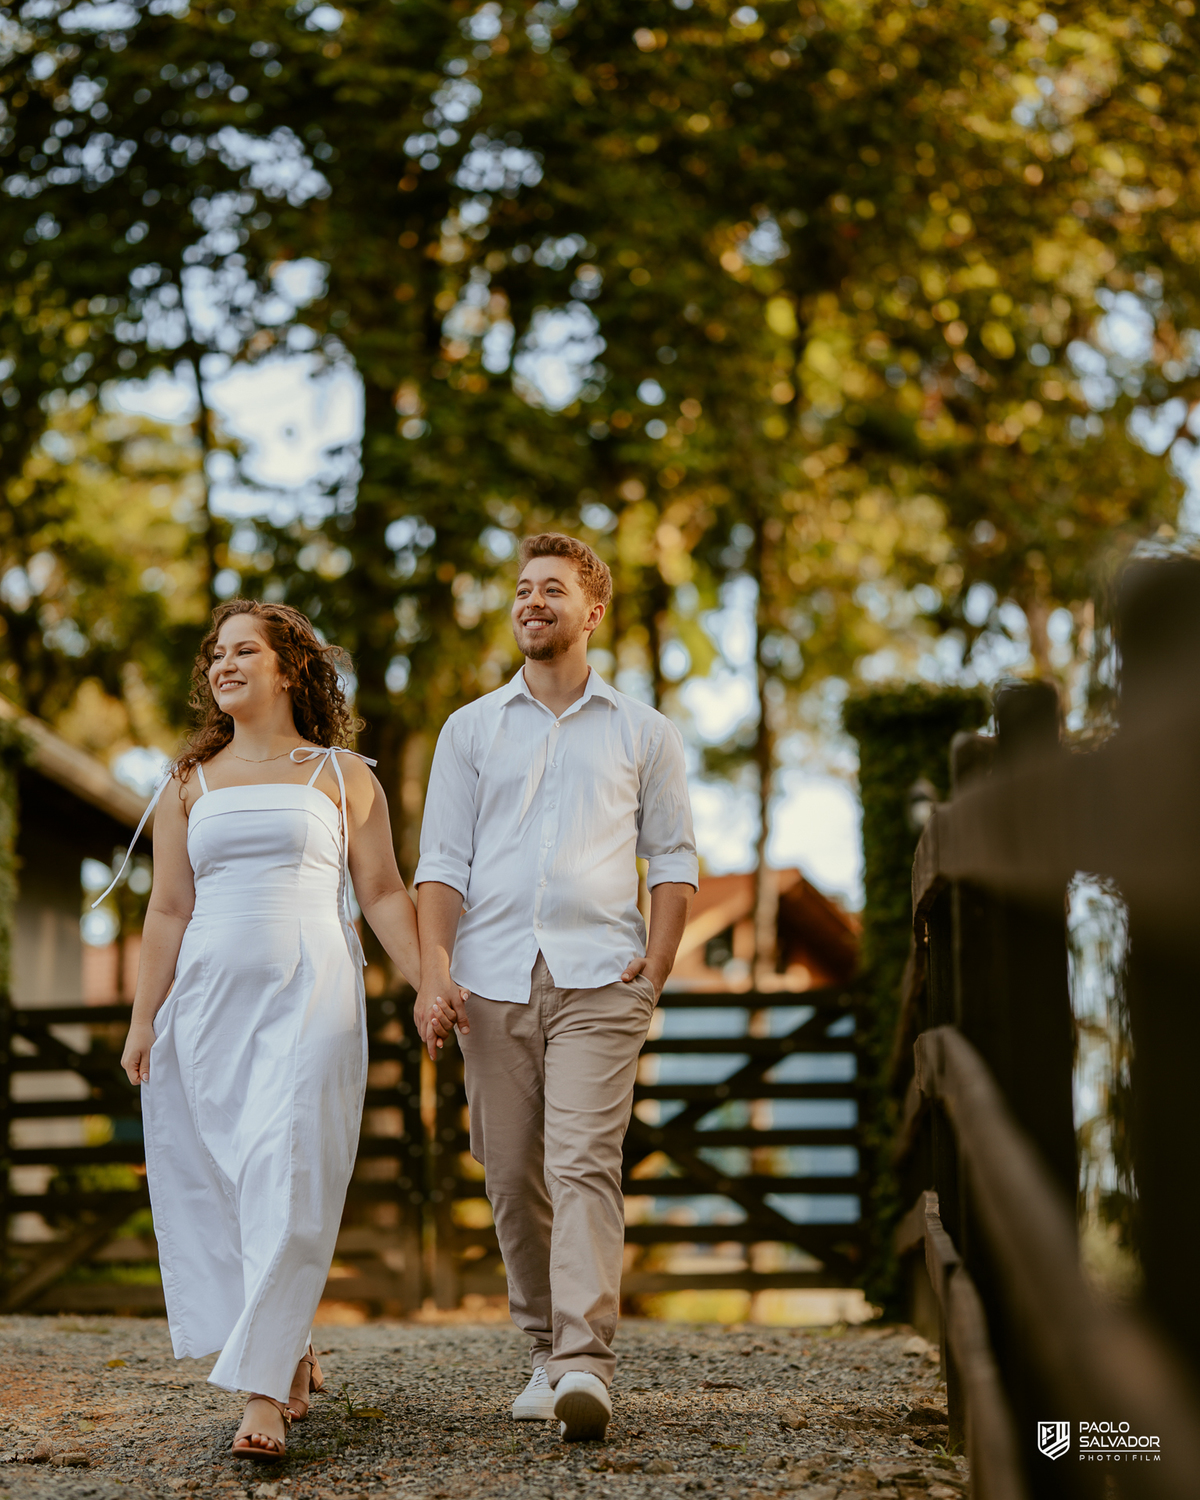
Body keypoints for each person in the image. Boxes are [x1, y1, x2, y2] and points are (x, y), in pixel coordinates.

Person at [113, 600, 430, 1463]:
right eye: (217, 654)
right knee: (233, 1182)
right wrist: (145, 1021)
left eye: (245, 649)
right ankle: (285, 1342)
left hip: (313, 992)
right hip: (210, 1005)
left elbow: (384, 895)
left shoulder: (342, 775)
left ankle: (258, 1396)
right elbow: (168, 909)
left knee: (288, 1170)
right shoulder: (189, 784)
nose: (225, 663)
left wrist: (430, 982)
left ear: (288, 668)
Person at [414, 533, 698, 1441]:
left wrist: (652, 972)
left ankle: (584, 1364)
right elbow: (440, 868)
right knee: (508, 1174)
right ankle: (543, 1350)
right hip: (489, 984)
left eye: (553, 589)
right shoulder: (470, 730)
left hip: (598, 981)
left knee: (582, 1163)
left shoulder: (645, 733)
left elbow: (675, 862)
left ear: (592, 610)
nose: (532, 601)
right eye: (523, 589)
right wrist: (433, 975)